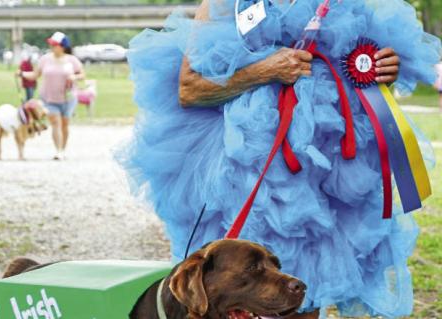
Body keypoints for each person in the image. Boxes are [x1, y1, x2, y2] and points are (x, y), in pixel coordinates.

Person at [117, 0, 441, 318]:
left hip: (325, 180)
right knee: (234, 291)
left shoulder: (346, 5)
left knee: (302, 292)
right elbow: (189, 90)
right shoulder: (226, 4)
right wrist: (263, 71)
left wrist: (381, 69)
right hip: (244, 178)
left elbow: (360, 80)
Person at [19, 32, 85, 160]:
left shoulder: (72, 60)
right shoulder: (45, 59)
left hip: (68, 98)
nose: (52, 47)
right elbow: (35, 75)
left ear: (63, 46)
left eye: (55, 45)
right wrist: (22, 74)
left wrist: (74, 76)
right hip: (48, 98)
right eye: (51, 45)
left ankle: (63, 149)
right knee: (55, 122)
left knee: (65, 124)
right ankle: (58, 151)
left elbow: (82, 75)